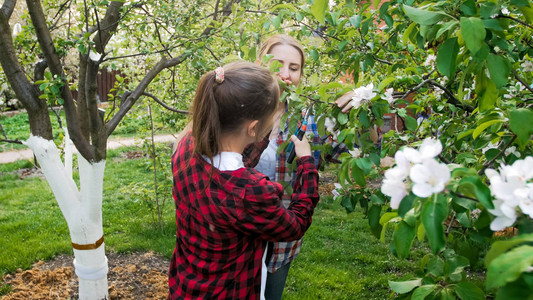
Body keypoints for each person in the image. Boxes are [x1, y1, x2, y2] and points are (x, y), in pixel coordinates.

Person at [168, 61, 320, 299]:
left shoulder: (187, 145)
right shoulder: (251, 191)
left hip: (187, 284)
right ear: (254, 127)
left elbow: (240, 151)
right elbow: (295, 224)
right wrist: (306, 163)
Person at [254, 34, 353, 299]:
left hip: (280, 242)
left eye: (294, 68)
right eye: (278, 64)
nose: (285, 74)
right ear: (261, 63)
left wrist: (357, 109)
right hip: (239, 239)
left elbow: (351, 152)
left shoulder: (309, 121)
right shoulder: (241, 110)